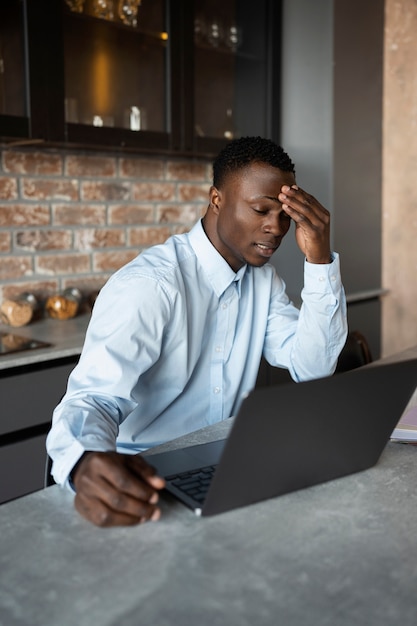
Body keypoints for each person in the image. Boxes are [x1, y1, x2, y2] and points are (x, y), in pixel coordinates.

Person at [47, 136, 348, 527]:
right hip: (144, 479)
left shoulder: (263, 282)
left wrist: (320, 259)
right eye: (260, 209)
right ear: (217, 199)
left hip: (228, 467)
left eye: (285, 215)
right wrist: (85, 461)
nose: (275, 228)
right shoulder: (150, 285)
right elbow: (93, 400)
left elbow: (313, 367)